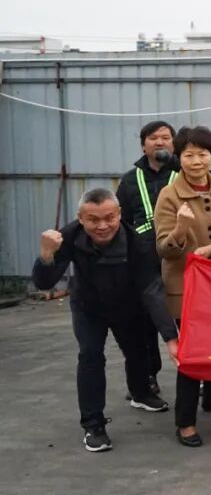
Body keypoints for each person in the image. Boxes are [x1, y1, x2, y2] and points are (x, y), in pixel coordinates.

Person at [32, 189, 178, 452]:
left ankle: (141, 393)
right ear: (80, 218)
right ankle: (93, 425)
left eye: (109, 218)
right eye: (93, 219)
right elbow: (44, 283)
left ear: (119, 214)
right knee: (90, 357)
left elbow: (152, 290)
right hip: (88, 307)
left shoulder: (136, 243)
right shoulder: (69, 236)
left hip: (128, 305)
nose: (102, 226)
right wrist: (46, 256)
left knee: (138, 351)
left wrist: (170, 337)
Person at [153, 126, 211, 447]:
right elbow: (164, 249)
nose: (196, 161)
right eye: (189, 155)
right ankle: (185, 422)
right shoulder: (169, 195)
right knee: (191, 354)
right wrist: (181, 228)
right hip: (185, 286)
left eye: (203, 154)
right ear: (179, 158)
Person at [114, 120, 177, 396]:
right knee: (144, 323)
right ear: (143, 145)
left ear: (174, 144)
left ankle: (198, 376)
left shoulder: (186, 174)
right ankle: (148, 376)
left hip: (180, 259)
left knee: (187, 317)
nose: (159, 142)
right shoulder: (130, 180)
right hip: (143, 261)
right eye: (153, 138)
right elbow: (122, 222)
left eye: (165, 137)